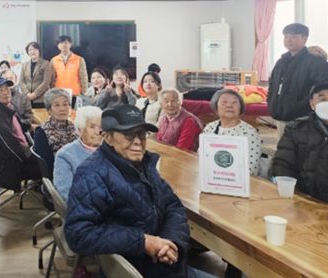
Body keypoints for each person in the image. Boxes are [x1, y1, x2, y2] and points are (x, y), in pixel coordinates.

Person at [64, 104, 213, 278]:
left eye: (142, 134)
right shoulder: (92, 174)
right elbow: (78, 234)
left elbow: (173, 206)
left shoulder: (144, 165)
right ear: (108, 138)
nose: (137, 141)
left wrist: (170, 242)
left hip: (165, 267)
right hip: (137, 271)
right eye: (128, 134)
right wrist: (142, 242)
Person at [271, 81, 328, 204]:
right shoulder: (295, 128)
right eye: (323, 100)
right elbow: (283, 164)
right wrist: (294, 196)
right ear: (312, 104)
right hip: (301, 200)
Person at [268, 23, 328, 139]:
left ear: (305, 38)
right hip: (281, 116)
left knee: (303, 147)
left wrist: (300, 106)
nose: (288, 40)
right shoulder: (281, 62)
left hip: (304, 117)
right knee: (283, 146)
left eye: (293, 36)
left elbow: (323, 90)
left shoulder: (316, 62)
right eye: (286, 36)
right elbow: (272, 85)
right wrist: (271, 103)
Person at [0, 77, 40, 200]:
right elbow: (11, 146)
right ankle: (48, 197)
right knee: (49, 163)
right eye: (0, 90)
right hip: (8, 167)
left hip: (9, 160)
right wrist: (33, 158)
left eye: (7, 89)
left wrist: (30, 126)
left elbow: (16, 124)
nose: (6, 92)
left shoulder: (6, 108)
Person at [203, 88, 262, 176]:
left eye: (234, 102)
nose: (229, 105)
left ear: (240, 108)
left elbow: (250, 168)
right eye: (224, 102)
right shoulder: (210, 127)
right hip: (212, 176)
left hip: (240, 179)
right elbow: (202, 157)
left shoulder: (249, 133)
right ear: (216, 107)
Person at [53, 105, 102, 201]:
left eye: (101, 127)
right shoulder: (65, 155)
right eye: (92, 127)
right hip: (84, 206)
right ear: (80, 130)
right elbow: (65, 192)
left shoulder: (111, 150)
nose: (98, 132)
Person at [40, 88, 77, 155]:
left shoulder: (75, 127)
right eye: (57, 105)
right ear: (49, 110)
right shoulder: (43, 132)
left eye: (65, 104)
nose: (62, 109)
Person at [19, 42, 53, 109]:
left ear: (39, 51)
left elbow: (46, 81)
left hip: (41, 99)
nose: (32, 51)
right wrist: (27, 93)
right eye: (30, 50)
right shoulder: (24, 65)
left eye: (35, 49)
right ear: (28, 52)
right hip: (27, 99)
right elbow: (21, 81)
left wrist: (35, 94)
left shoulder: (46, 63)